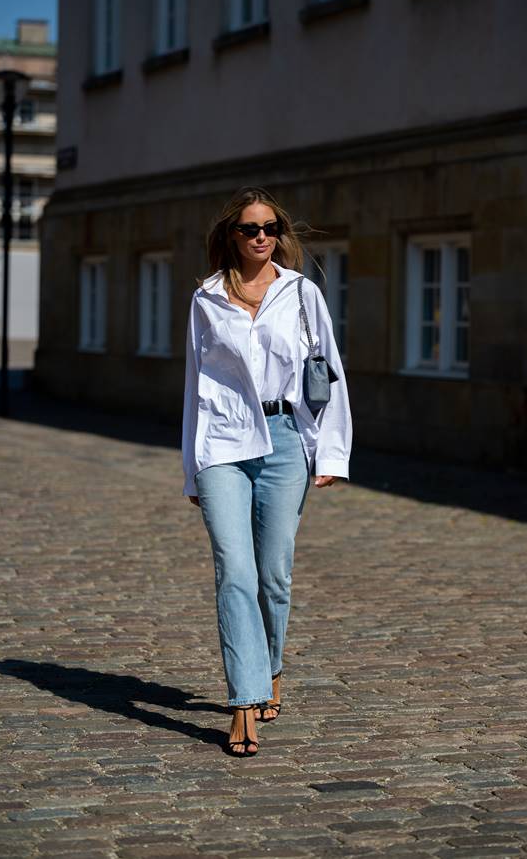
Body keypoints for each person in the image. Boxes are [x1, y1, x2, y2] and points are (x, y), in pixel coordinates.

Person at [182, 186, 352, 756]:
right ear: (231, 235)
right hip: (224, 444)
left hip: (284, 441)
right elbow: (194, 389)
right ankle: (245, 700)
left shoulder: (301, 294)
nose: (262, 237)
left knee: (273, 574)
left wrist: (330, 453)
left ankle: (272, 666)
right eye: (251, 229)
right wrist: (192, 469)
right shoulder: (206, 297)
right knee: (235, 570)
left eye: (271, 228)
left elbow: (331, 373)